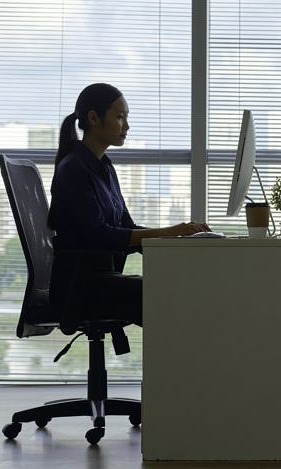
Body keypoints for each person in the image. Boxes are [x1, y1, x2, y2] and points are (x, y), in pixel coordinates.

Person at [48, 83, 210, 326]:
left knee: (179, 290)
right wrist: (171, 231)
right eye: (120, 117)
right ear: (94, 118)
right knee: (167, 297)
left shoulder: (104, 167)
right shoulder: (73, 169)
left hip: (100, 278)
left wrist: (178, 242)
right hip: (79, 285)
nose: (127, 126)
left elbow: (126, 226)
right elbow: (99, 235)